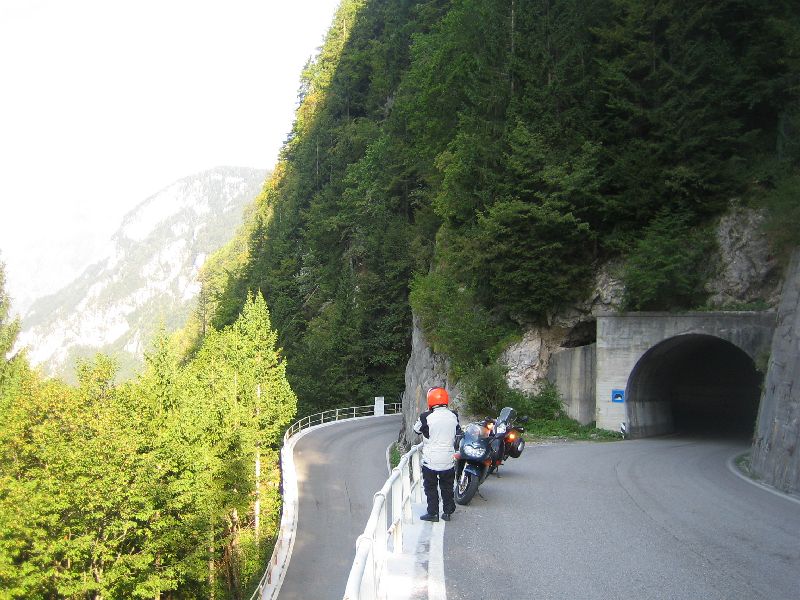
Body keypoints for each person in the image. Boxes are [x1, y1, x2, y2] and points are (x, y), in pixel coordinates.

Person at [413, 386, 461, 522]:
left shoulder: (426, 416)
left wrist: (423, 415)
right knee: (447, 487)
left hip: (431, 460)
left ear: (430, 400)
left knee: (430, 487)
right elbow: (458, 431)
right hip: (448, 459)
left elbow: (416, 430)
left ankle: (433, 513)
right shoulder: (454, 415)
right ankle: (447, 512)